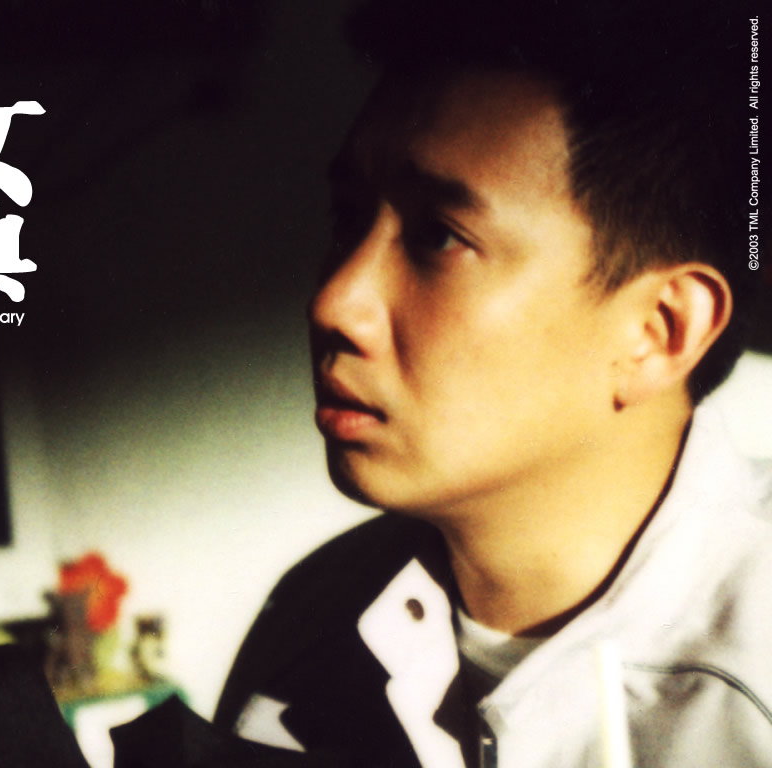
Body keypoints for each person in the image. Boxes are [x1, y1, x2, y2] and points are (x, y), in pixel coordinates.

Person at [209, 2, 771, 766]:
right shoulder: (308, 624)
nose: (335, 302)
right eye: (348, 217)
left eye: (440, 236)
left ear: (658, 329)